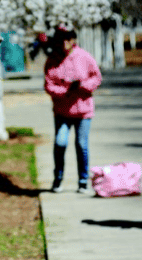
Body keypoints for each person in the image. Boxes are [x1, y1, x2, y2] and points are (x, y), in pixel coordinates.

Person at [44, 24, 102, 193]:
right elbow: (49, 85)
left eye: (68, 39)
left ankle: (83, 181)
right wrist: (65, 90)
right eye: (62, 39)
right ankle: (58, 178)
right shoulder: (52, 60)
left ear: (73, 40)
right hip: (62, 111)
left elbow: (96, 77)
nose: (65, 43)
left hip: (83, 110)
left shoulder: (84, 56)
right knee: (60, 142)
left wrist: (83, 86)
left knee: (81, 144)